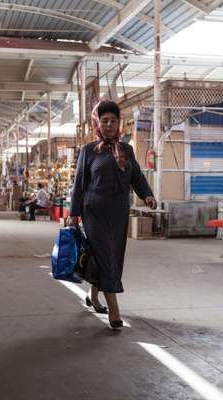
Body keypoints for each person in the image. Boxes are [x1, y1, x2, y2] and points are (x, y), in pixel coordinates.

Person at [67, 100, 157, 329]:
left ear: (119, 124)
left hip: (119, 213)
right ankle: (115, 313)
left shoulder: (126, 150)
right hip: (93, 212)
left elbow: (136, 177)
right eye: (104, 121)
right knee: (106, 257)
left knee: (111, 258)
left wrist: (147, 195)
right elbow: (79, 185)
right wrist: (73, 214)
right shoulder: (89, 151)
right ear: (98, 123)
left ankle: (93, 296)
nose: (109, 125)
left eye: (113, 121)